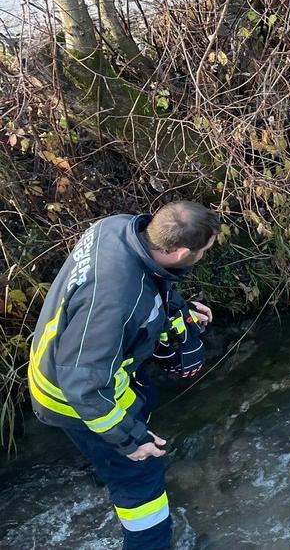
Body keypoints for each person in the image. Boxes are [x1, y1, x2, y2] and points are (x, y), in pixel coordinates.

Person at [28, 201, 219, 549]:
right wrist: (131, 441)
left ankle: (109, 469)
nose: (205, 256)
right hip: (72, 397)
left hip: (72, 360)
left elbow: (144, 282)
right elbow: (84, 384)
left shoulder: (118, 227)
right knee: (141, 473)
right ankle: (152, 542)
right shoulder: (115, 300)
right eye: (203, 251)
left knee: (143, 403)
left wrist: (179, 309)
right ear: (179, 252)